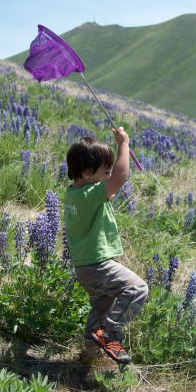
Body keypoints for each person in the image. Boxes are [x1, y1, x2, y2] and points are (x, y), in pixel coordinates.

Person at [64, 129, 148, 364]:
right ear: (87, 172)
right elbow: (120, 178)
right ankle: (110, 332)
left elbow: (102, 190)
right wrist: (124, 144)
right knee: (137, 289)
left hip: (85, 268)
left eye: (109, 171)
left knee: (99, 310)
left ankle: (88, 355)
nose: (110, 175)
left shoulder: (73, 194)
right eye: (106, 171)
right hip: (97, 265)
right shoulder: (91, 194)